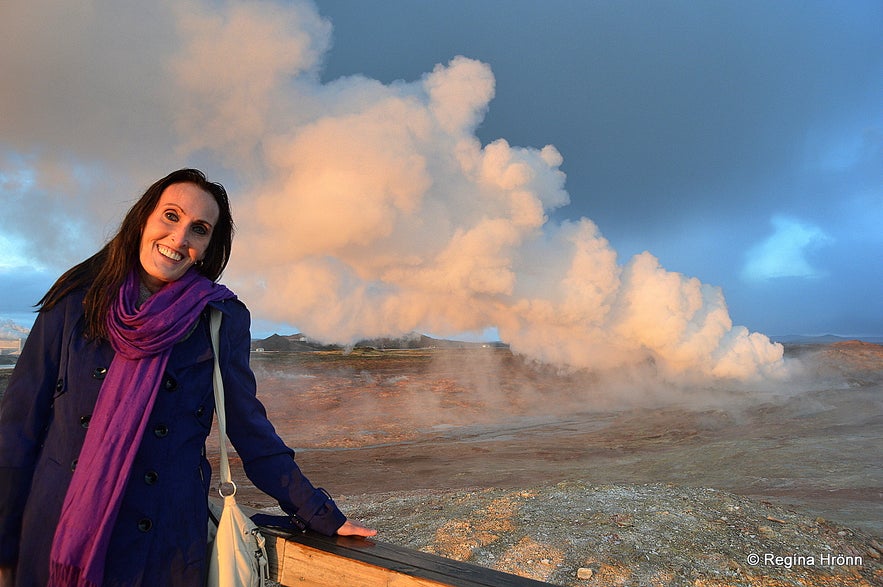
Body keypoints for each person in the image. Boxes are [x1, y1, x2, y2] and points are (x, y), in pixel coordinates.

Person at [0, 168, 375, 586]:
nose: (179, 239)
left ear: (209, 246)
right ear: (143, 219)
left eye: (199, 229)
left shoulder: (219, 317)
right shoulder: (75, 301)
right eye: (171, 216)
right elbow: (17, 431)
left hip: (162, 541)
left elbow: (249, 428)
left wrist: (319, 513)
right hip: (57, 528)